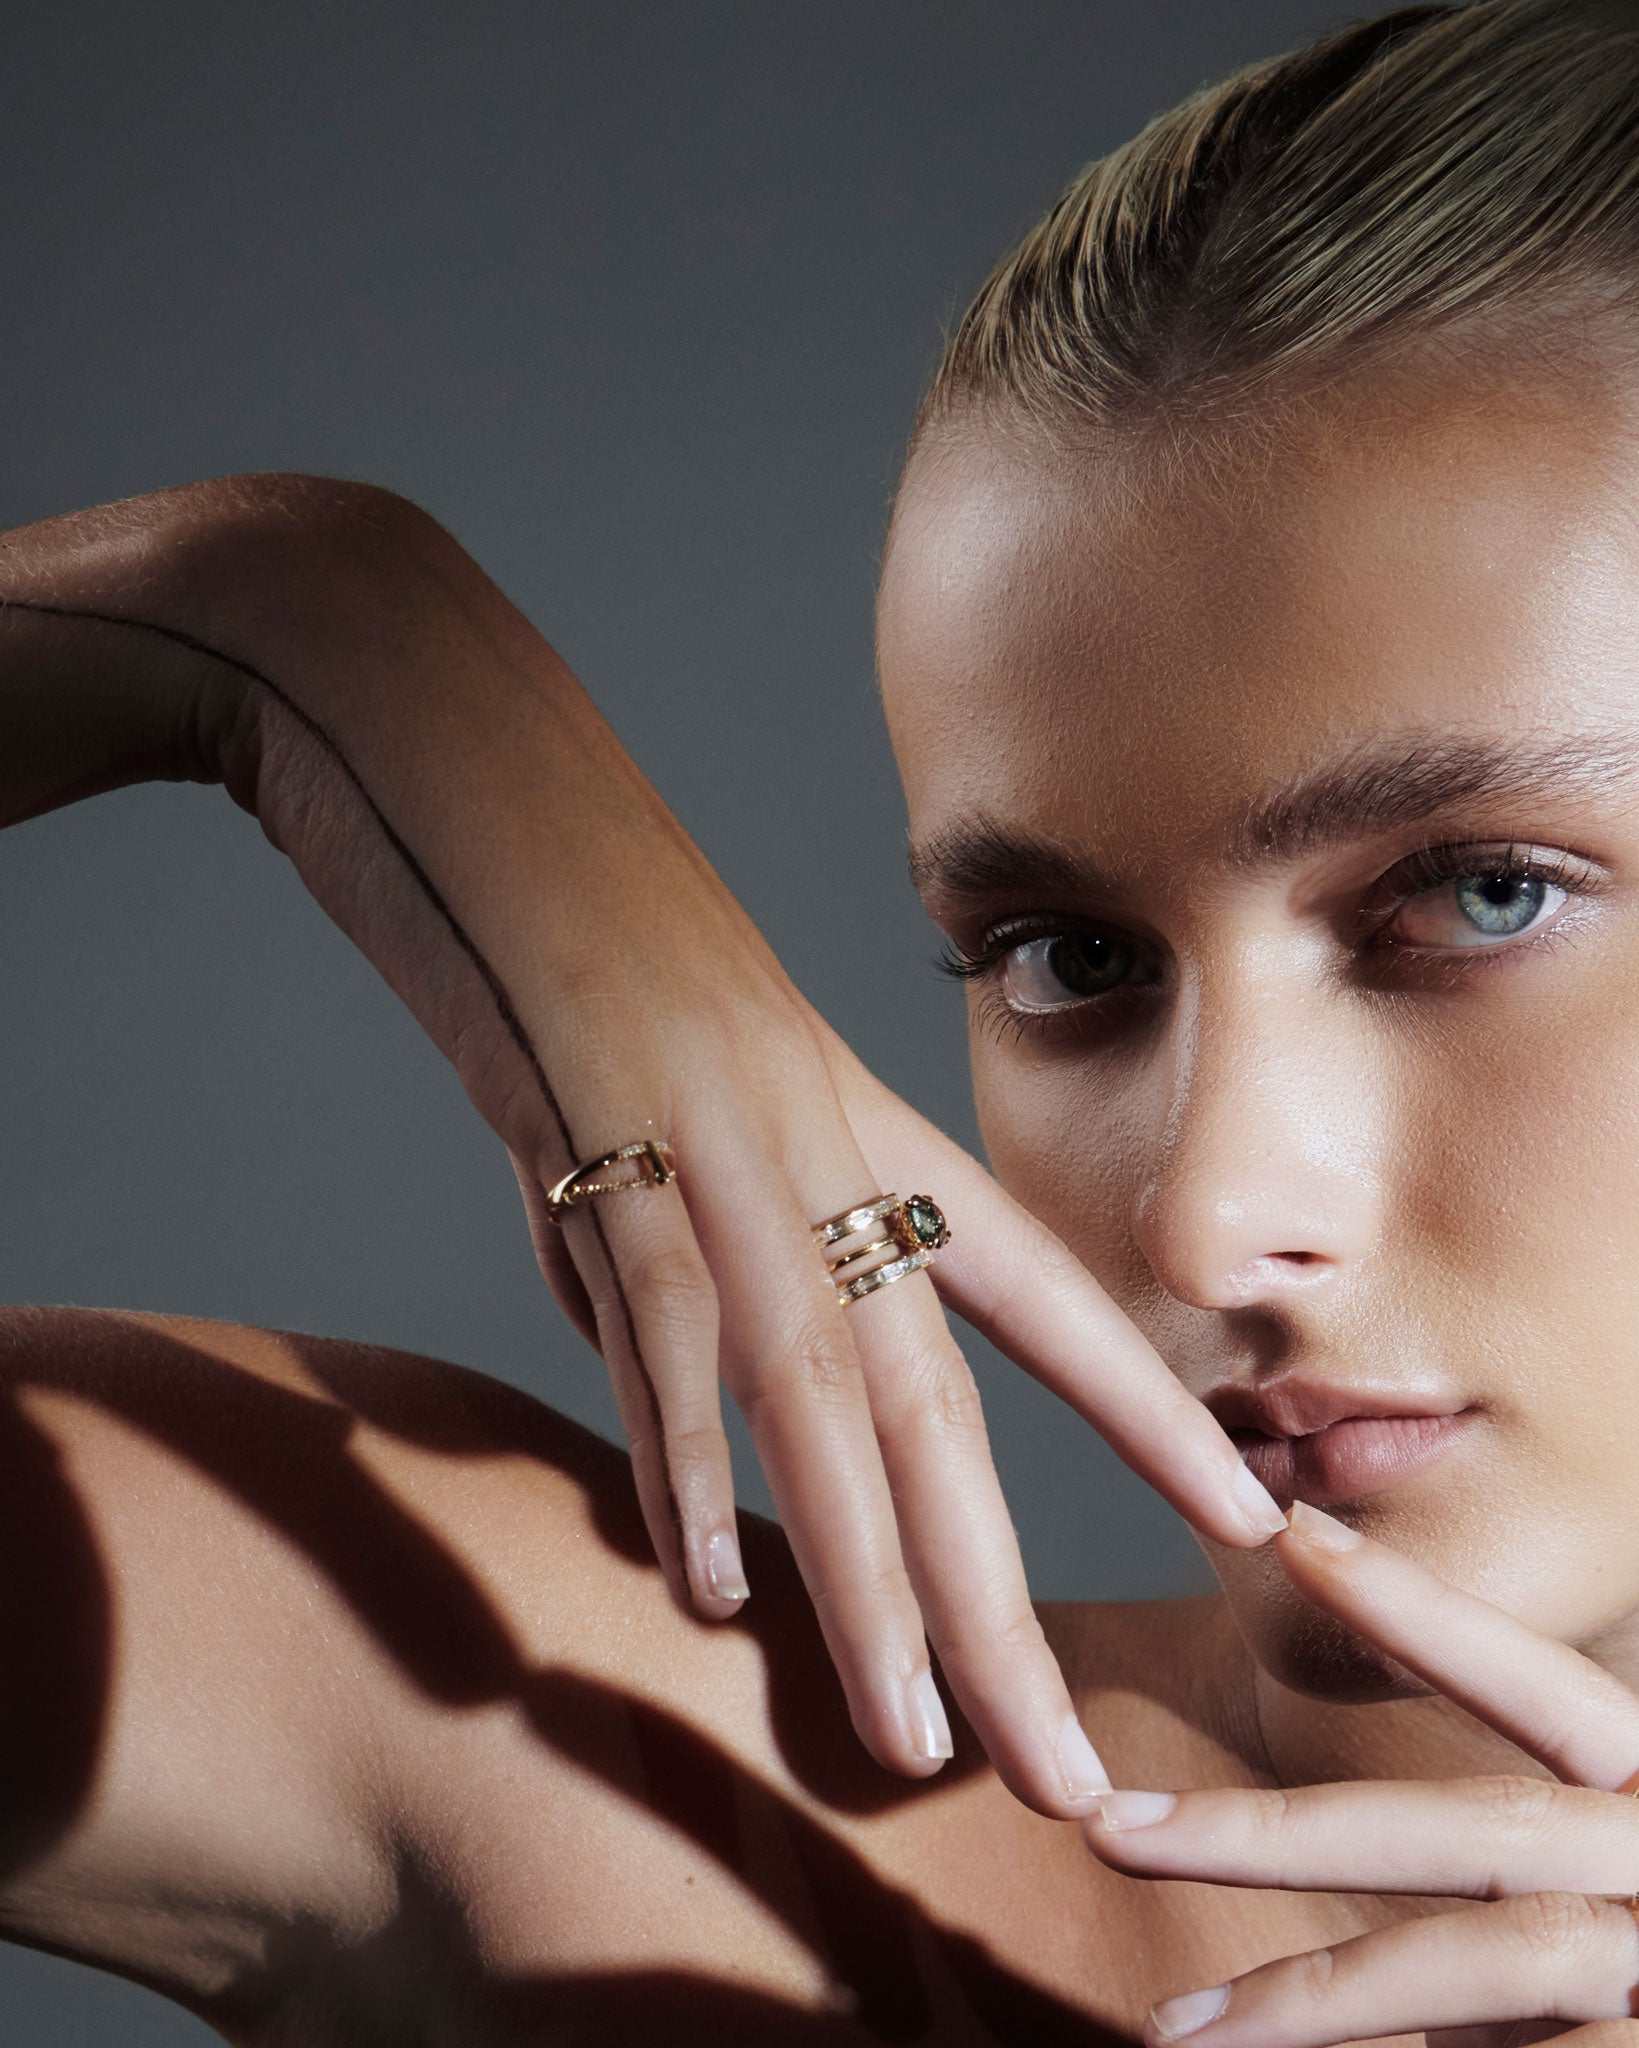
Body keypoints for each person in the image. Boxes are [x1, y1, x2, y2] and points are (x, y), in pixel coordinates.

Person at [3, 0, 1638, 2038]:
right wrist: (266, 623)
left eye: (1484, 894)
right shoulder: (628, 1773)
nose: (1204, 1220)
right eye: (1065, 954)